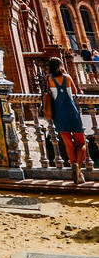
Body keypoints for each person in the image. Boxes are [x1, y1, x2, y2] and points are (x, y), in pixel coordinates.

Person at [44, 56, 87, 186]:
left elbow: (49, 95)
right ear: (61, 65)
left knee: (68, 144)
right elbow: (75, 92)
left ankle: (75, 168)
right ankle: (78, 169)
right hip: (71, 112)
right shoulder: (67, 77)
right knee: (82, 143)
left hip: (59, 114)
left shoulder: (49, 79)